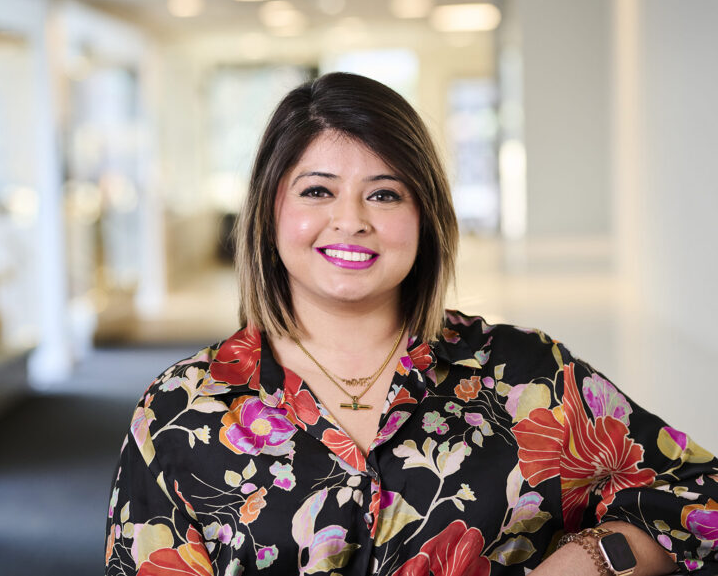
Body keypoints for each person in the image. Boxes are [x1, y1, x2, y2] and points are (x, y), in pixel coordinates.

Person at [105, 72, 718, 576]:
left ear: (425, 217)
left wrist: (591, 559)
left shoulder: (525, 376)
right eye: (317, 191)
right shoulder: (182, 411)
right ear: (269, 211)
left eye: (384, 194)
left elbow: (700, 497)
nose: (350, 221)